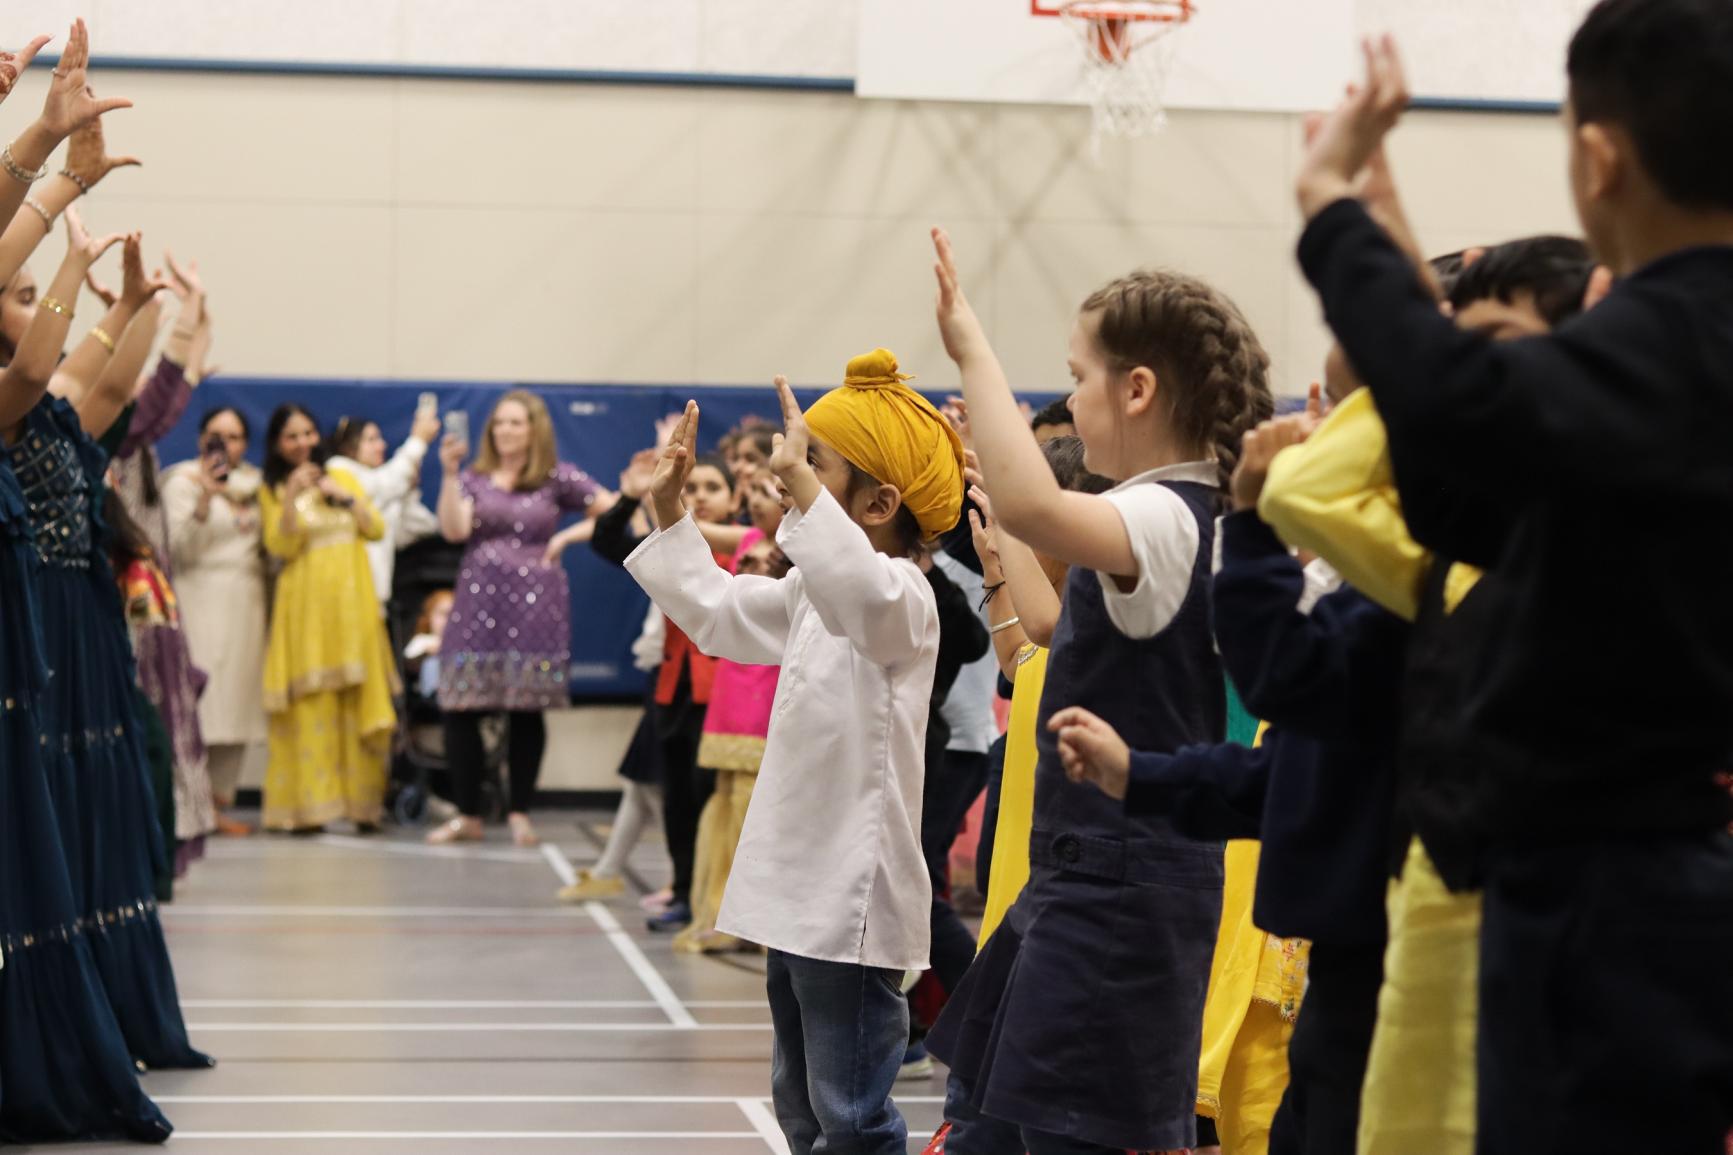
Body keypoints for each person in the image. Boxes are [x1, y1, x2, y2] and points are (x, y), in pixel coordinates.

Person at [1293, 13, 1733, 1149]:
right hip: (1632, 876)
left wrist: (1332, 208)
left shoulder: (1678, 331)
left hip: (1606, 887)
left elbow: (1459, 410)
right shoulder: (1667, 362)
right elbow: (1466, 493)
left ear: (1597, 158)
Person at [923, 228, 1272, 1155]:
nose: (1070, 399)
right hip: (1085, 879)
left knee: (1062, 1140)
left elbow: (1040, 504)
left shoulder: (1161, 513)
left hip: (1121, 891)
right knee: (988, 1128)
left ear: (1138, 388)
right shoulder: (1164, 515)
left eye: (1078, 375)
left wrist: (971, 346)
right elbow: (1046, 632)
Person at [624, 353, 964, 1155]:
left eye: (815, 466)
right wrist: (671, 515)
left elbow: (868, 600)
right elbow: (717, 610)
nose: (789, 477)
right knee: (801, 1104)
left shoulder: (905, 598)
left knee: (851, 1116)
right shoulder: (817, 589)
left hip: (847, 902)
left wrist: (806, 497)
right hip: (795, 891)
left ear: (880, 502)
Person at [0, 23, 182, 1137]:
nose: (26, 304)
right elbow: (33, 360)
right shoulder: (20, 398)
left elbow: (102, 373)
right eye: (17, 287)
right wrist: (50, 180)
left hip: (60, 632)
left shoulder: (51, 418)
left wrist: (127, 293)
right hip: (40, 638)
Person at [430, 390, 603, 848]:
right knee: (461, 703)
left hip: (535, 601)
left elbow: (613, 507)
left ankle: (520, 811)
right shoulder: (474, 478)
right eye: (499, 423)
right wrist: (449, 474)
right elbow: (452, 530)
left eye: (515, 423)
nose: (504, 431)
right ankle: (468, 814)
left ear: (535, 429)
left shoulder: (555, 477)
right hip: (478, 599)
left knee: (526, 708)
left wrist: (567, 539)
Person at [585, 442, 743, 928]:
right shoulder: (673, 544)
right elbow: (607, 542)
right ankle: (683, 892)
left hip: (726, 694)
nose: (701, 496)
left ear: (733, 499)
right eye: (691, 487)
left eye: (713, 488)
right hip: (673, 688)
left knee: (710, 802)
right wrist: (631, 497)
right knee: (676, 800)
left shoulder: (750, 546)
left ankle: (717, 902)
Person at [258, 402, 398, 834]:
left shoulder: (343, 476)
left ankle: (363, 807)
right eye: (291, 436)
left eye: (307, 434)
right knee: (311, 705)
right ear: (278, 444)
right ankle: (307, 810)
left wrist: (347, 498)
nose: (302, 443)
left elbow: (375, 529)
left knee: (357, 704)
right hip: (305, 612)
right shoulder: (272, 488)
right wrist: (293, 500)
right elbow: (279, 547)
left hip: (353, 608)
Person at [672, 531, 788, 954]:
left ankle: (760, 919)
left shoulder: (799, 538)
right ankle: (723, 911)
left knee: (754, 809)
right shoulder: (750, 539)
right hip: (734, 686)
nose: (761, 495)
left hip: (771, 683)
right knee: (724, 803)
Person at [164, 405, 267, 837]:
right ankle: (189, 801)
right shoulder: (182, 480)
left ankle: (220, 801)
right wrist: (206, 496)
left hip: (247, 601)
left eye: (236, 436)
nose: (226, 445)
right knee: (202, 700)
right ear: (201, 438)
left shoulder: (256, 485)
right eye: (217, 435)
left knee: (239, 701)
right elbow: (176, 547)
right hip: (198, 595)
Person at [325, 405, 442, 611]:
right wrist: (418, 441)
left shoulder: (385, 495)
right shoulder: (338, 469)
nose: (382, 445)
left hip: (376, 600)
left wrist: (408, 492)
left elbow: (423, 526)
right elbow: (380, 487)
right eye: (371, 440)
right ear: (347, 446)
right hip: (344, 596)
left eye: (379, 438)